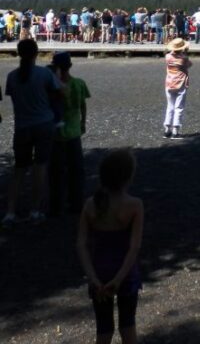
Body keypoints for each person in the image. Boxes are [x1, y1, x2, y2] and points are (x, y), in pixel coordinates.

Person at [77, 149, 143, 344]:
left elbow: (81, 244)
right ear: (128, 177)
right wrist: (120, 277)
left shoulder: (91, 205)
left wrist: (93, 278)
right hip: (126, 272)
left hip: (100, 271)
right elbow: (134, 247)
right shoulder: (134, 205)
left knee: (104, 329)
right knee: (128, 326)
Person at [2, 39, 62, 226]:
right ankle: (35, 210)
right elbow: (59, 92)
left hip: (22, 125)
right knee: (40, 167)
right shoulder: (44, 74)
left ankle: (10, 211)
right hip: (43, 123)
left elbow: (13, 96)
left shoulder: (12, 76)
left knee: (19, 170)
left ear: (19, 53)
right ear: (36, 53)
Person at [49, 52, 90, 216]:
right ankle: (76, 203)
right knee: (76, 170)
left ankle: (56, 205)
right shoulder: (79, 83)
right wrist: (83, 122)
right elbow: (83, 106)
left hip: (56, 133)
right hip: (74, 131)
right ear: (70, 66)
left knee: (56, 171)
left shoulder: (52, 86)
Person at [163, 37, 191, 139]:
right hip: (180, 83)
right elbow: (189, 65)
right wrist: (186, 53)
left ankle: (167, 129)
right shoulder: (183, 58)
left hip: (169, 82)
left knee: (170, 106)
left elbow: (171, 54)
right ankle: (175, 130)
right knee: (178, 107)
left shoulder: (167, 57)